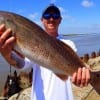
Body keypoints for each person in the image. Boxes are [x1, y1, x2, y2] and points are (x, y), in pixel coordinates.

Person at [0, 4, 90, 100]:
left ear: (60, 20)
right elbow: (22, 64)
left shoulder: (69, 44)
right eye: (47, 16)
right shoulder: (32, 38)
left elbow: (75, 72)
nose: (51, 19)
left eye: (55, 16)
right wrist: (6, 55)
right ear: (42, 20)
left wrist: (82, 77)